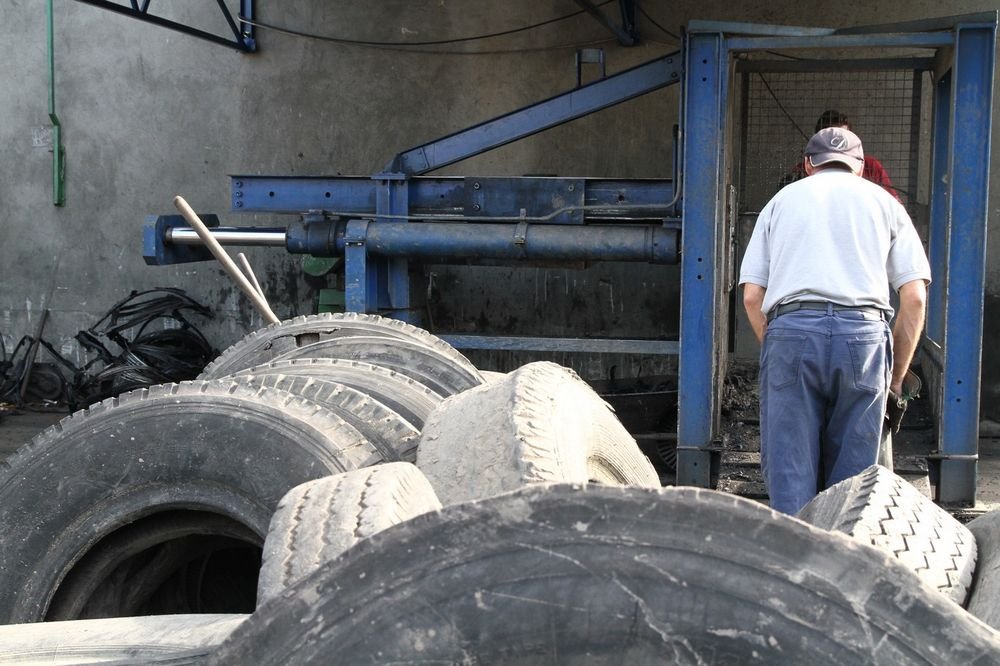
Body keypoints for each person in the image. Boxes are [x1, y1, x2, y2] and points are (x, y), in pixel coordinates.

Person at [740, 126, 930, 515]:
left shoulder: (780, 202)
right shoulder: (886, 203)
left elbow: (751, 296)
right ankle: (841, 558)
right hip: (863, 336)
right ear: (860, 167)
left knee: (789, 463)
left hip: (791, 331)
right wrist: (894, 380)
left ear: (809, 164)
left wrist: (780, 345)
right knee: (855, 477)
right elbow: (914, 296)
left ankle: (792, 558)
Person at [781, 110, 899, 200]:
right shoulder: (802, 170)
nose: (838, 146)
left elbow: (894, 206)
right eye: (831, 138)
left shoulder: (871, 166)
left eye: (843, 137)